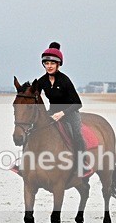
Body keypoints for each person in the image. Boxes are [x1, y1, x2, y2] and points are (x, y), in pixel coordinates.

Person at [35, 41, 89, 178]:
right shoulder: (42, 81)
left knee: (77, 135)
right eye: (46, 63)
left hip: (70, 112)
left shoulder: (65, 80)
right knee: (33, 129)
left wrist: (62, 113)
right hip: (52, 112)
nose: (49, 66)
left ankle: (82, 165)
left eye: (52, 63)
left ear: (58, 64)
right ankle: (25, 161)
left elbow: (78, 103)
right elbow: (33, 94)